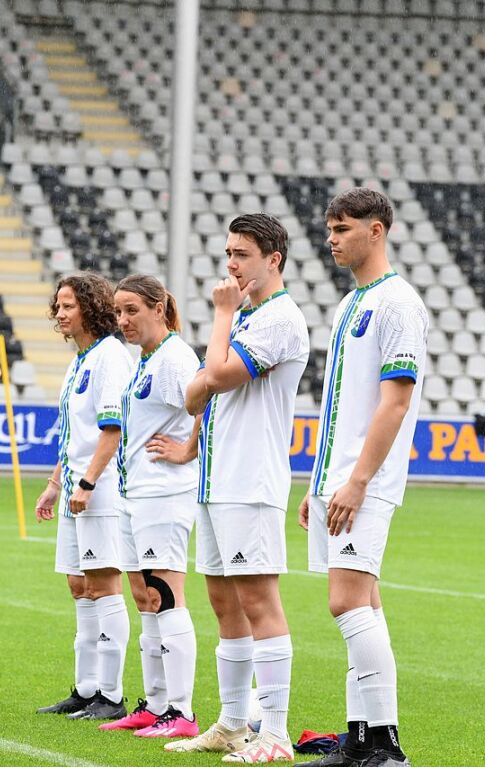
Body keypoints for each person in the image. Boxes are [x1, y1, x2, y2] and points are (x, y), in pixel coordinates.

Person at [167, 213, 309, 763]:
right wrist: (221, 340)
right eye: (229, 251)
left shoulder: (278, 317)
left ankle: (273, 733)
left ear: (273, 260)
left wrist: (222, 315)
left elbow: (217, 377)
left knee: (258, 600)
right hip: (217, 479)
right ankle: (231, 722)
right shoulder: (246, 318)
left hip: (250, 479)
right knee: (224, 602)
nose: (231, 263)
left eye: (243, 253)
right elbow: (192, 396)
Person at [296, 189, 428, 767]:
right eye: (329, 228)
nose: (332, 238)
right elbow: (339, 407)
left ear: (377, 231)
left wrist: (357, 481)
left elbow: (394, 403)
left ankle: (386, 743)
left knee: (346, 603)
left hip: (364, 483)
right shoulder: (351, 304)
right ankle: (360, 737)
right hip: (338, 479)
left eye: (343, 228)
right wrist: (317, 482)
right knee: (364, 605)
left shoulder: (398, 303)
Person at [97, 274, 200, 739]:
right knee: (145, 597)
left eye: (132, 310)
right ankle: (155, 704)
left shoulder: (176, 358)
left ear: (160, 308)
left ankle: (181, 711)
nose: (123, 320)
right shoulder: (147, 360)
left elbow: (208, 407)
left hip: (164, 493)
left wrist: (187, 450)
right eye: (118, 312)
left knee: (166, 593)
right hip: (135, 493)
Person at [35, 272, 134, 722]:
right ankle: (86, 688)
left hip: (101, 489)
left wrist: (88, 483)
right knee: (79, 586)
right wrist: (56, 484)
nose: (59, 313)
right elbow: (76, 434)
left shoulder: (111, 357)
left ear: (91, 307)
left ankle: (111, 696)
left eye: (67, 305)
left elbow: (112, 430)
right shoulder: (82, 359)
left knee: (103, 585)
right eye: (57, 305)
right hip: (76, 486)